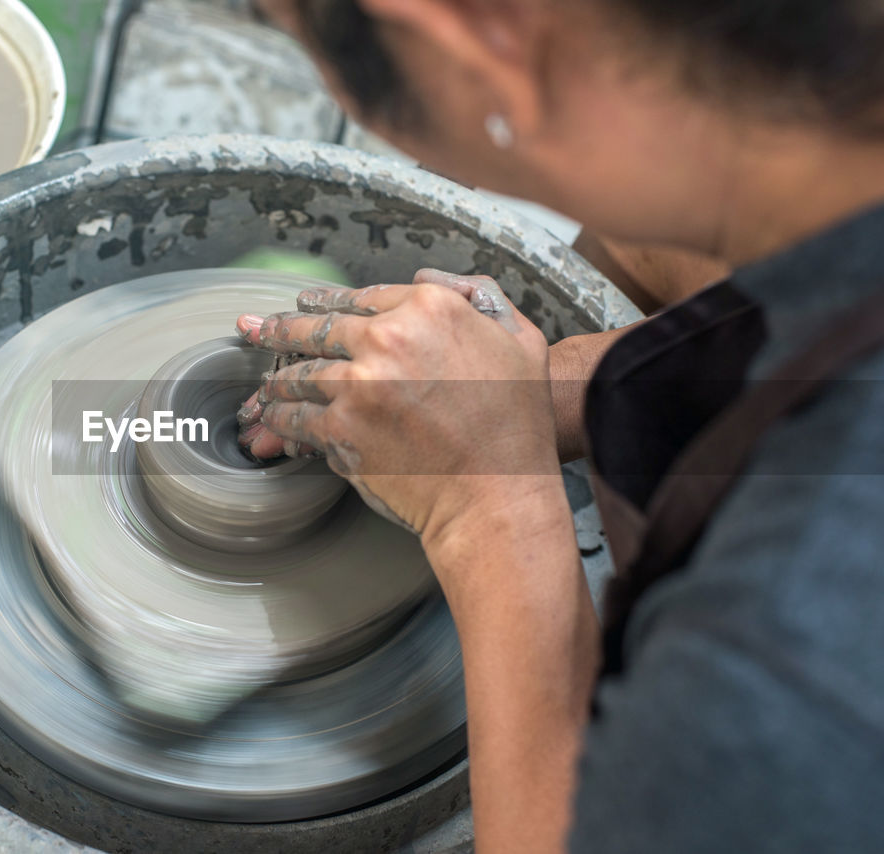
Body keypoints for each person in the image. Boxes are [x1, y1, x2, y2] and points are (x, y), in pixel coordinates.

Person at [235, 1, 884, 851]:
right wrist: (545, 389)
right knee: (658, 235)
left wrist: (487, 501)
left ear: (468, 45)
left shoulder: (790, 645)